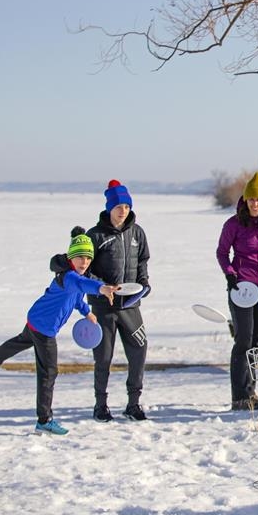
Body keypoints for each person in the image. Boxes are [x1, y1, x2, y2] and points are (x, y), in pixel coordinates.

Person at [0, 228, 118, 435]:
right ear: (71, 257)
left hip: (36, 319)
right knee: (48, 372)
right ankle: (44, 420)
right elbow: (82, 285)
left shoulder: (75, 276)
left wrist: (86, 312)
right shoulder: (70, 277)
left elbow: (78, 297)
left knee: (19, 341)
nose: (84, 262)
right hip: (44, 329)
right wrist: (101, 288)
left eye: (88, 258)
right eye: (80, 257)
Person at [216, 171, 258, 411]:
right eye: (251, 199)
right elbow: (222, 253)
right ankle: (239, 397)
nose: (255, 204)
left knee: (257, 340)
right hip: (242, 287)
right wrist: (230, 274)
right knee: (243, 340)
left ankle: (250, 392)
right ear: (245, 200)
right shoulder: (233, 224)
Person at [86, 179, 152, 422]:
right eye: (118, 206)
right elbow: (85, 270)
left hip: (130, 305)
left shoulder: (137, 233)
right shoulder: (96, 235)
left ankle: (133, 403)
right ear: (109, 208)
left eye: (126, 206)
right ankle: (100, 405)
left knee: (139, 351)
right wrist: (101, 287)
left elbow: (142, 261)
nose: (123, 210)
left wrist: (144, 284)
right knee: (103, 357)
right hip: (103, 307)